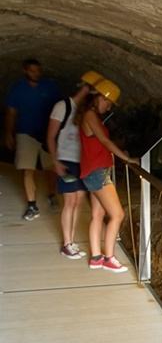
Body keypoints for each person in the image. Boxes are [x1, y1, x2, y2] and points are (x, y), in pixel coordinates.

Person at [74, 79, 137, 273]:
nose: (109, 107)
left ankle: (96, 258)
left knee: (98, 214)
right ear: (99, 97)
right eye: (108, 102)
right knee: (117, 215)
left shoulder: (90, 115)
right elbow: (104, 141)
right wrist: (127, 158)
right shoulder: (90, 115)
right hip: (97, 172)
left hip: (93, 171)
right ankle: (109, 258)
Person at [46, 71, 104, 259]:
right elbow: (50, 136)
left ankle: (71, 242)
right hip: (66, 159)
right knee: (70, 201)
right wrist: (55, 161)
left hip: (82, 161)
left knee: (78, 200)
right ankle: (67, 244)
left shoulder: (86, 111)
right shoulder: (62, 107)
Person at [5, 58, 61, 220]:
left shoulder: (50, 87)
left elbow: (59, 110)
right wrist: (9, 133)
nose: (35, 74)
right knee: (27, 168)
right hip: (25, 133)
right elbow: (11, 113)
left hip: (47, 134)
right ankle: (32, 205)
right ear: (25, 71)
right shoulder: (17, 89)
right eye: (32, 71)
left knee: (50, 168)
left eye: (37, 71)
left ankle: (52, 195)